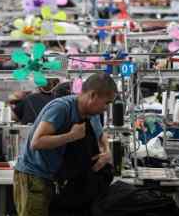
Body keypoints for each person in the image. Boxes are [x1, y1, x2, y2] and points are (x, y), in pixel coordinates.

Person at [13, 72, 116, 216]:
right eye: (106, 103)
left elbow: (101, 134)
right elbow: (36, 142)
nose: (106, 108)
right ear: (93, 96)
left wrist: (106, 151)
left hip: (56, 178)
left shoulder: (90, 114)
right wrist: (71, 136)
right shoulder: (61, 108)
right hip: (34, 176)